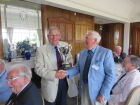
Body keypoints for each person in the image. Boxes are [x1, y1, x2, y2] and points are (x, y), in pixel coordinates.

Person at [57, 31, 115, 105]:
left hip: (98, 91)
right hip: (84, 87)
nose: (84, 40)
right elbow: (78, 68)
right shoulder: (82, 52)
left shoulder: (105, 53)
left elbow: (111, 75)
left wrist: (103, 93)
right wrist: (66, 72)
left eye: (87, 38)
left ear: (95, 40)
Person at [35, 26, 73, 105]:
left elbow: (70, 59)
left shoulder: (65, 45)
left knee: (63, 102)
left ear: (60, 36)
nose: (54, 37)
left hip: (64, 80)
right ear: (48, 36)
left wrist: (68, 66)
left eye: (56, 35)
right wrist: (55, 74)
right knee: (51, 102)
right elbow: (38, 69)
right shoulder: (41, 50)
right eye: (51, 35)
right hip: (50, 83)